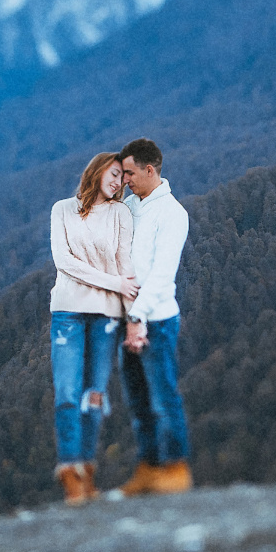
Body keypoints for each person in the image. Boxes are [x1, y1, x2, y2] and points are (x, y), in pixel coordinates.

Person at [50, 151, 139, 504]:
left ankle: (87, 471)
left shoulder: (121, 213)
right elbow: (64, 261)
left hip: (107, 315)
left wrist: (133, 318)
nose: (118, 182)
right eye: (114, 173)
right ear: (98, 170)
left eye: (122, 177)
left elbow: (125, 264)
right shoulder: (62, 210)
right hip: (68, 312)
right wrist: (113, 283)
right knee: (67, 395)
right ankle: (70, 470)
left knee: (94, 396)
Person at [119, 137, 192, 495]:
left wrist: (137, 315)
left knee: (163, 396)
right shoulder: (131, 207)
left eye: (130, 173)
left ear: (150, 170)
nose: (125, 180)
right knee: (138, 400)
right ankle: (149, 467)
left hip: (157, 320)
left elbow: (162, 274)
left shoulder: (173, 214)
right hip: (126, 319)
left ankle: (175, 470)